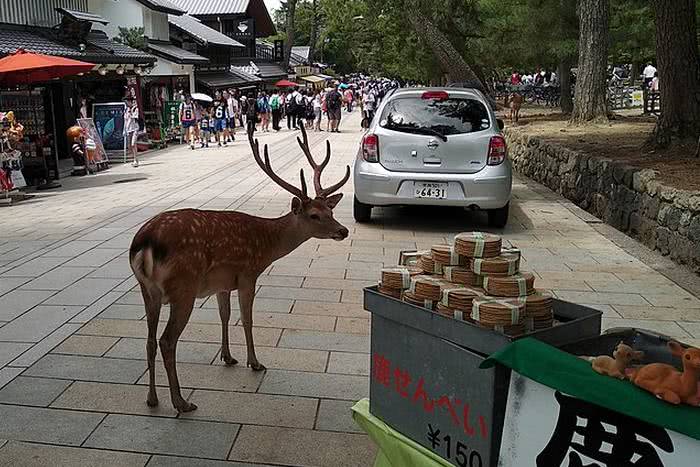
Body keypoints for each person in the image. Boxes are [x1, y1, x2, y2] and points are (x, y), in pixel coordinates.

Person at [124, 96, 140, 166]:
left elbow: (136, 117)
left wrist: (131, 113)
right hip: (128, 129)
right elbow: (125, 120)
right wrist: (124, 130)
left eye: (127, 102)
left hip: (135, 129)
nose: (126, 103)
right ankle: (134, 158)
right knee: (130, 146)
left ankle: (135, 160)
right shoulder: (126, 110)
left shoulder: (135, 108)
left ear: (130, 102)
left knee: (133, 144)